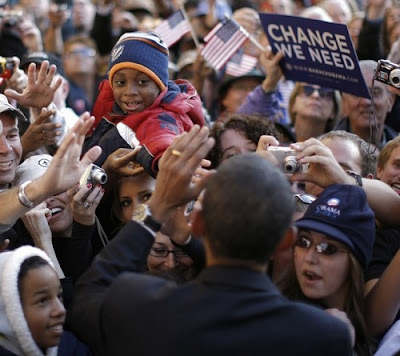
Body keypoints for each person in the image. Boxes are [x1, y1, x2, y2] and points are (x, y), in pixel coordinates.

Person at [68, 125, 352, 356]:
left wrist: (157, 208)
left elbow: (89, 295)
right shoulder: (324, 336)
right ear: (286, 241)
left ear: (199, 224)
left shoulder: (142, 305)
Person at [85, 31, 205, 177]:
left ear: (160, 85)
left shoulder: (163, 116)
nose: (130, 91)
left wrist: (170, 160)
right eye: (121, 82)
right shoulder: (110, 103)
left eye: (142, 82)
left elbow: (161, 138)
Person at [280, 184, 376, 355]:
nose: (309, 257)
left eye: (328, 248)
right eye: (304, 242)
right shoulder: (278, 318)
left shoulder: (375, 321)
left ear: (355, 261)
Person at [0, 245, 91, 355]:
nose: (61, 310)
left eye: (59, 296)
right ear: (6, 309)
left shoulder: (71, 347)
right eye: (42, 300)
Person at [335, 60, 397, 149]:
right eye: (358, 93)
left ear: (390, 101)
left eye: (375, 93)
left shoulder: (397, 151)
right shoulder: (325, 150)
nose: (366, 102)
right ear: (344, 103)